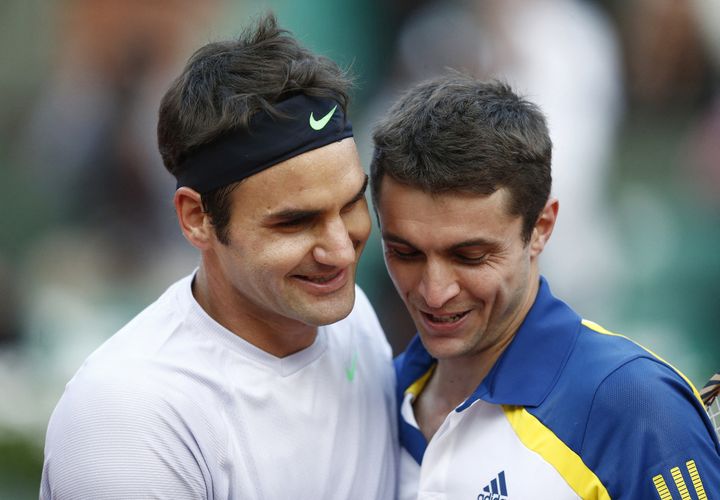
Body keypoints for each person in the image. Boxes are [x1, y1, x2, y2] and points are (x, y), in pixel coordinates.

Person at [40, 14, 397, 499]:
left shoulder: (353, 321)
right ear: (196, 219)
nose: (340, 249)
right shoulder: (128, 413)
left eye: (352, 203)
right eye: (294, 221)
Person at [370, 74, 720, 499]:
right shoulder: (371, 394)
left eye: (470, 256)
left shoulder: (637, 406)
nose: (433, 291)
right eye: (405, 253)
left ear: (541, 227)